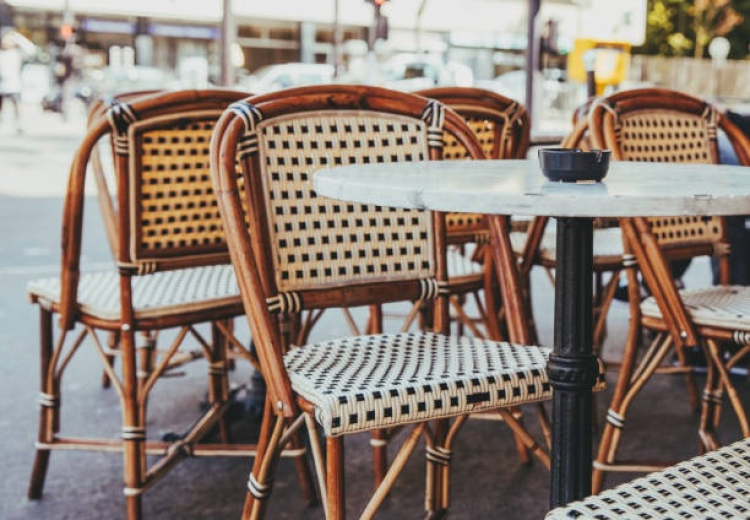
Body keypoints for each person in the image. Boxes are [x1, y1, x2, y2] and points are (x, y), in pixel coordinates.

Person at [0, 34, 23, 133]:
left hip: (14, 85)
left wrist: (18, 38)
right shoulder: (1, 54)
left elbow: (31, 50)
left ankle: (18, 124)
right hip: (2, 85)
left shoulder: (16, 54)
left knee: (16, 106)